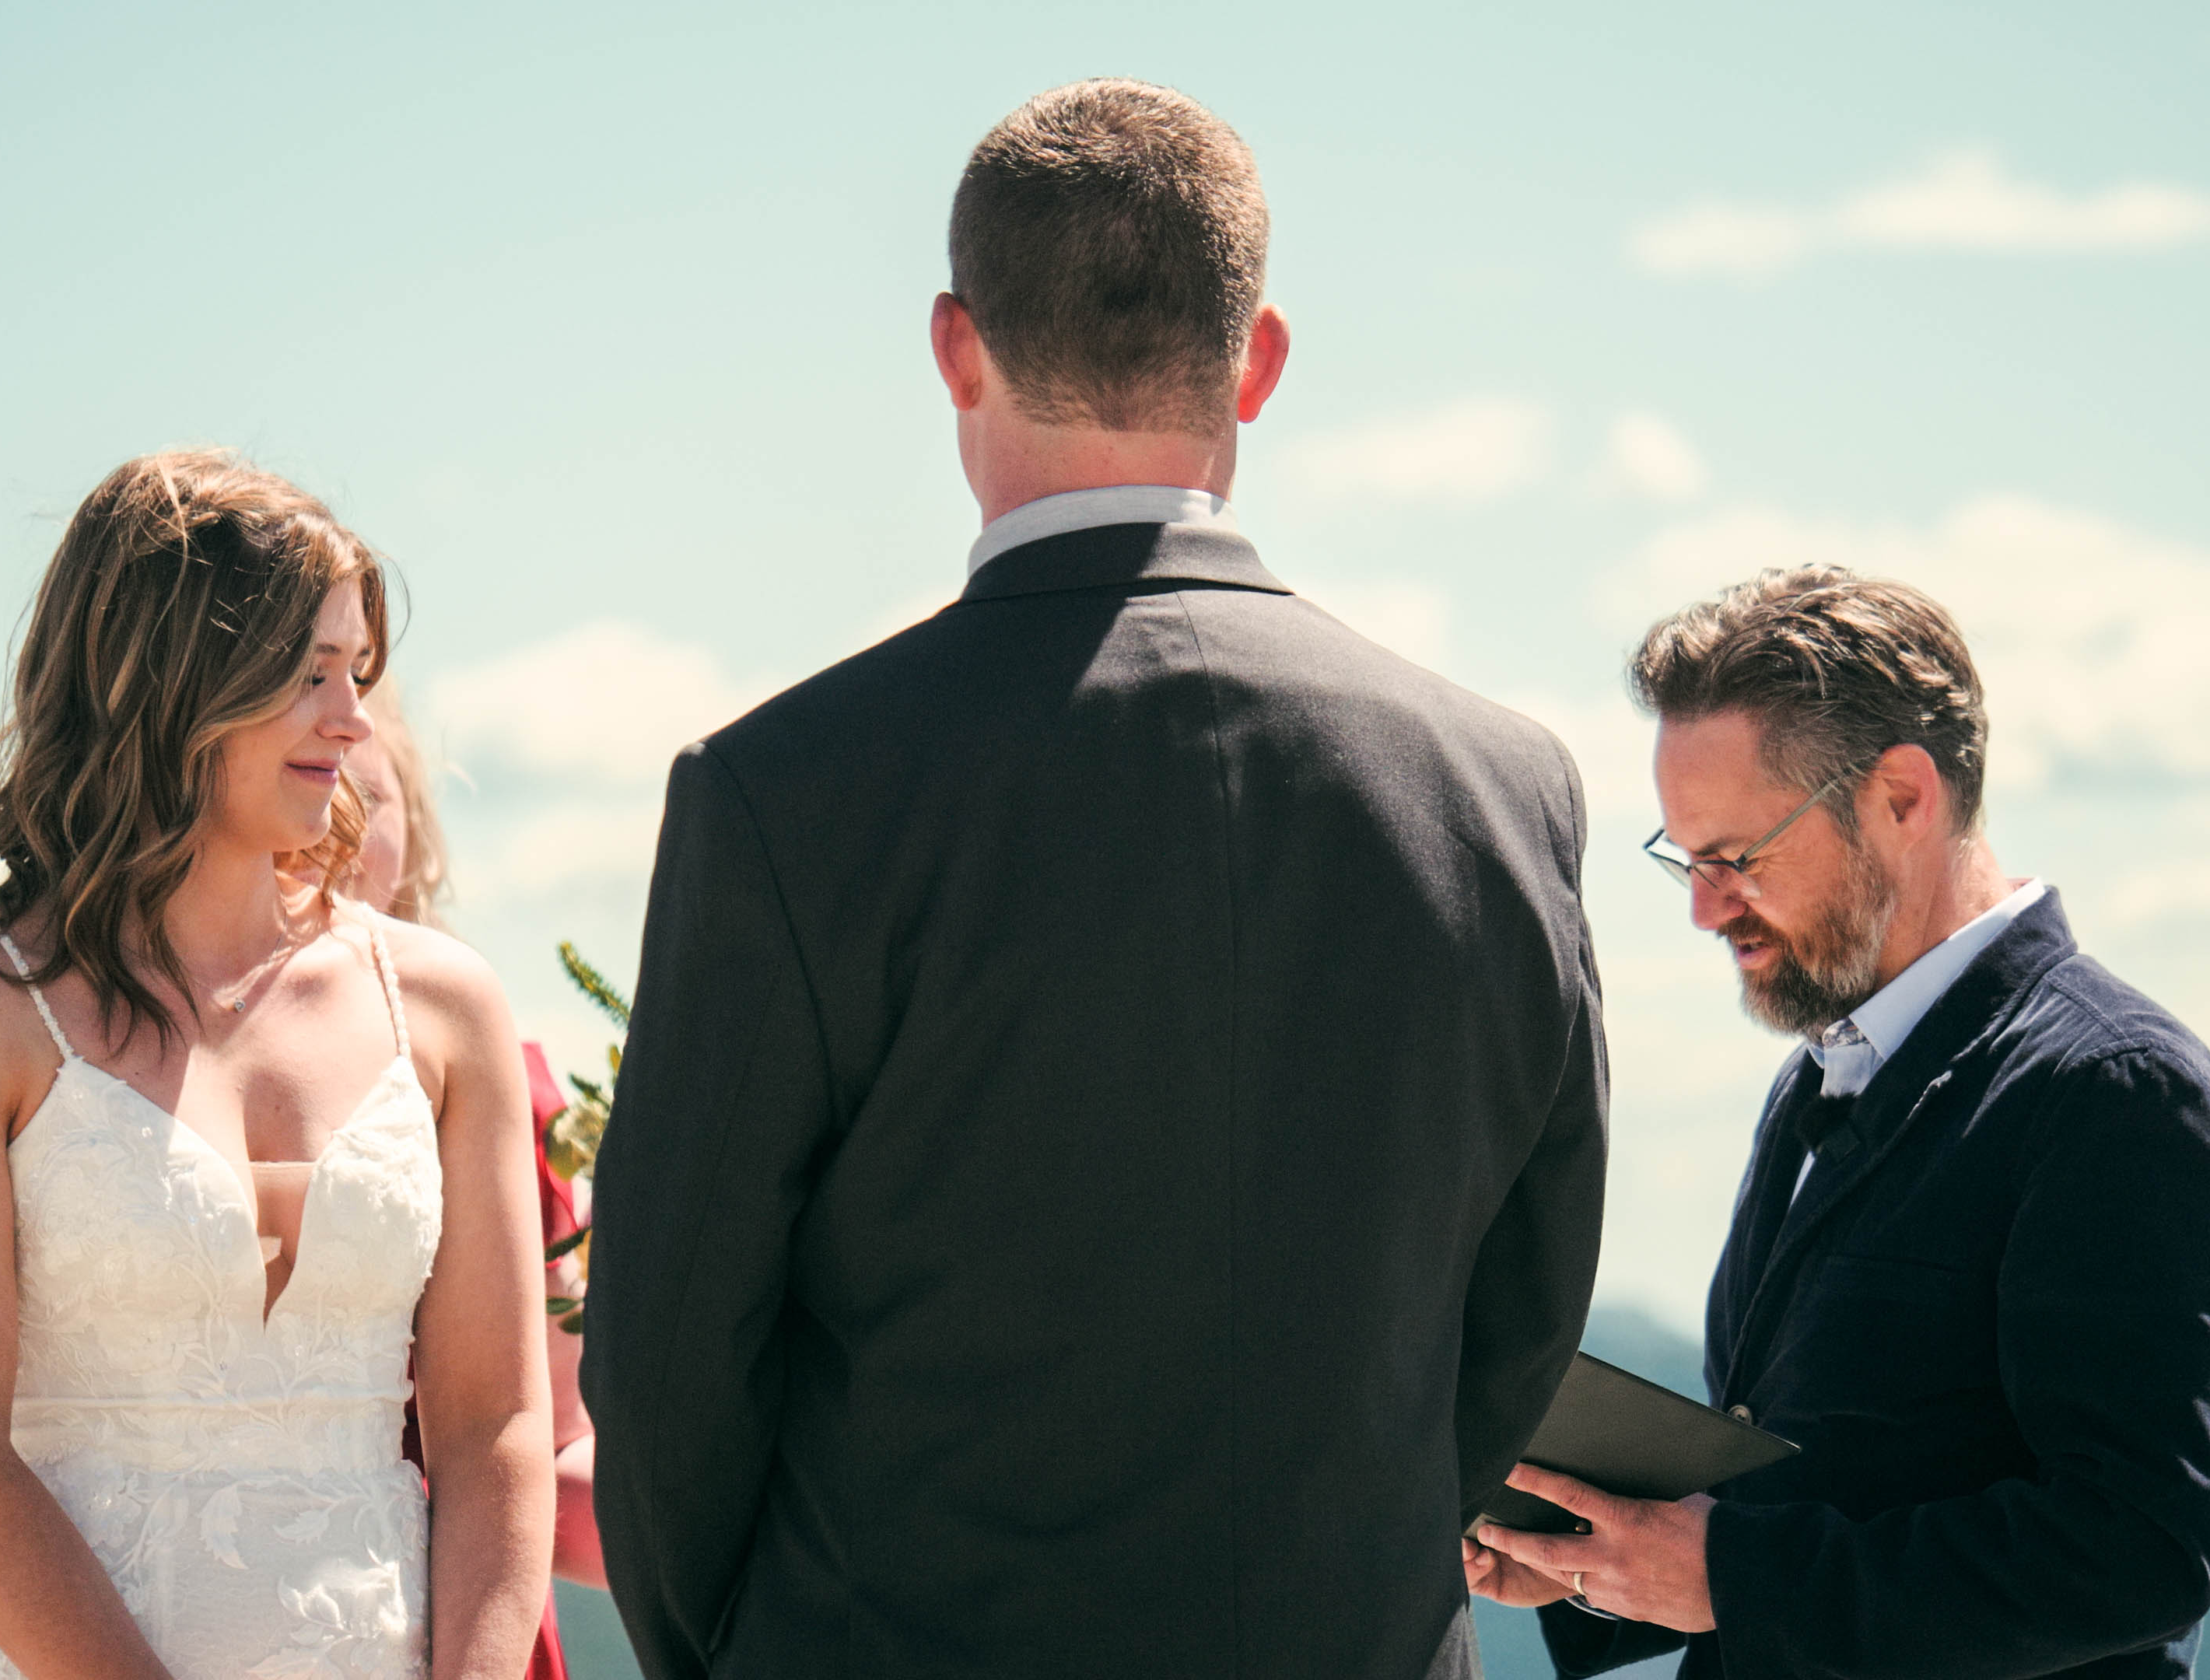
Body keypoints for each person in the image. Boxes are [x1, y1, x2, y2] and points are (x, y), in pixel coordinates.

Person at [580, 79, 1607, 1680]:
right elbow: (1526, 1310)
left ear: (955, 346)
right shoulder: (1503, 787)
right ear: (1259, 358)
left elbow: (667, 1367)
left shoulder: (785, 793)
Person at [1467, 567, 2210, 1680]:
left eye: (1736, 858)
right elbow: (1818, 1487)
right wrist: (1596, 1563)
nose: (1703, 908)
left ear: (1901, 799)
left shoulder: (2116, 1093)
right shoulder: (1823, 1075)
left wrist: (1734, 1576)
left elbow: (2143, 1551)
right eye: (1684, 861)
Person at [0, 451, 552, 1680]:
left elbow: (496, 1427)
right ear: (168, 680)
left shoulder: (444, 1008)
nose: (354, 721)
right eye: (309, 673)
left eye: (359, 672)